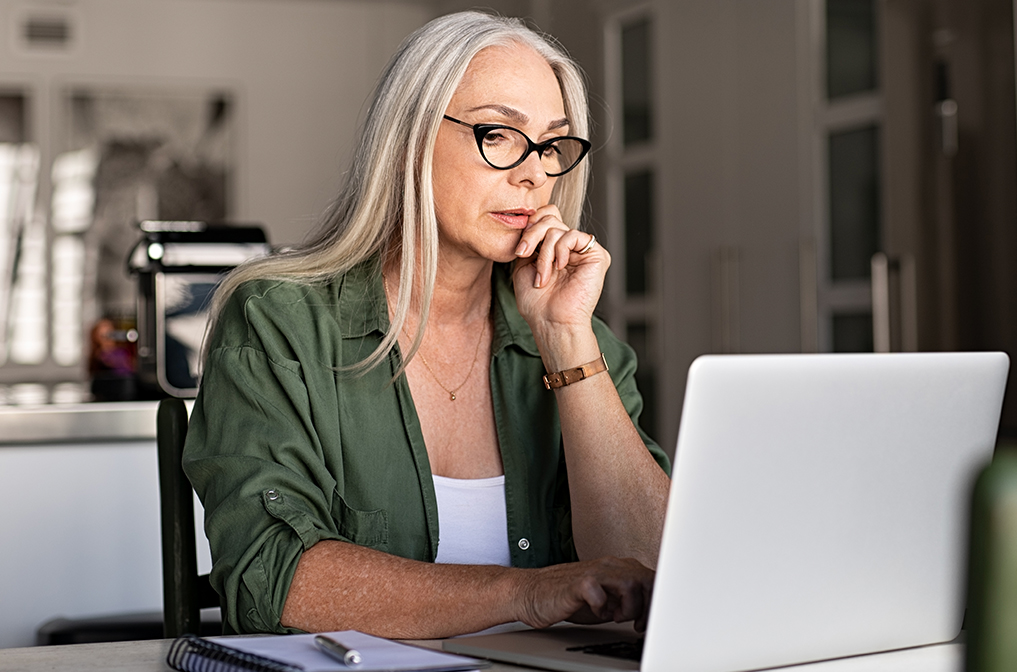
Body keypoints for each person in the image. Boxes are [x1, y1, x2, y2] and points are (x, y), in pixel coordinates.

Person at [184, 11, 671, 639]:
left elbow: (659, 576)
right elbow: (272, 580)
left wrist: (566, 342)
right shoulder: (279, 322)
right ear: (410, 138)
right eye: (498, 133)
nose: (535, 173)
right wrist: (528, 592)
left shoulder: (582, 344)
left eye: (552, 145)